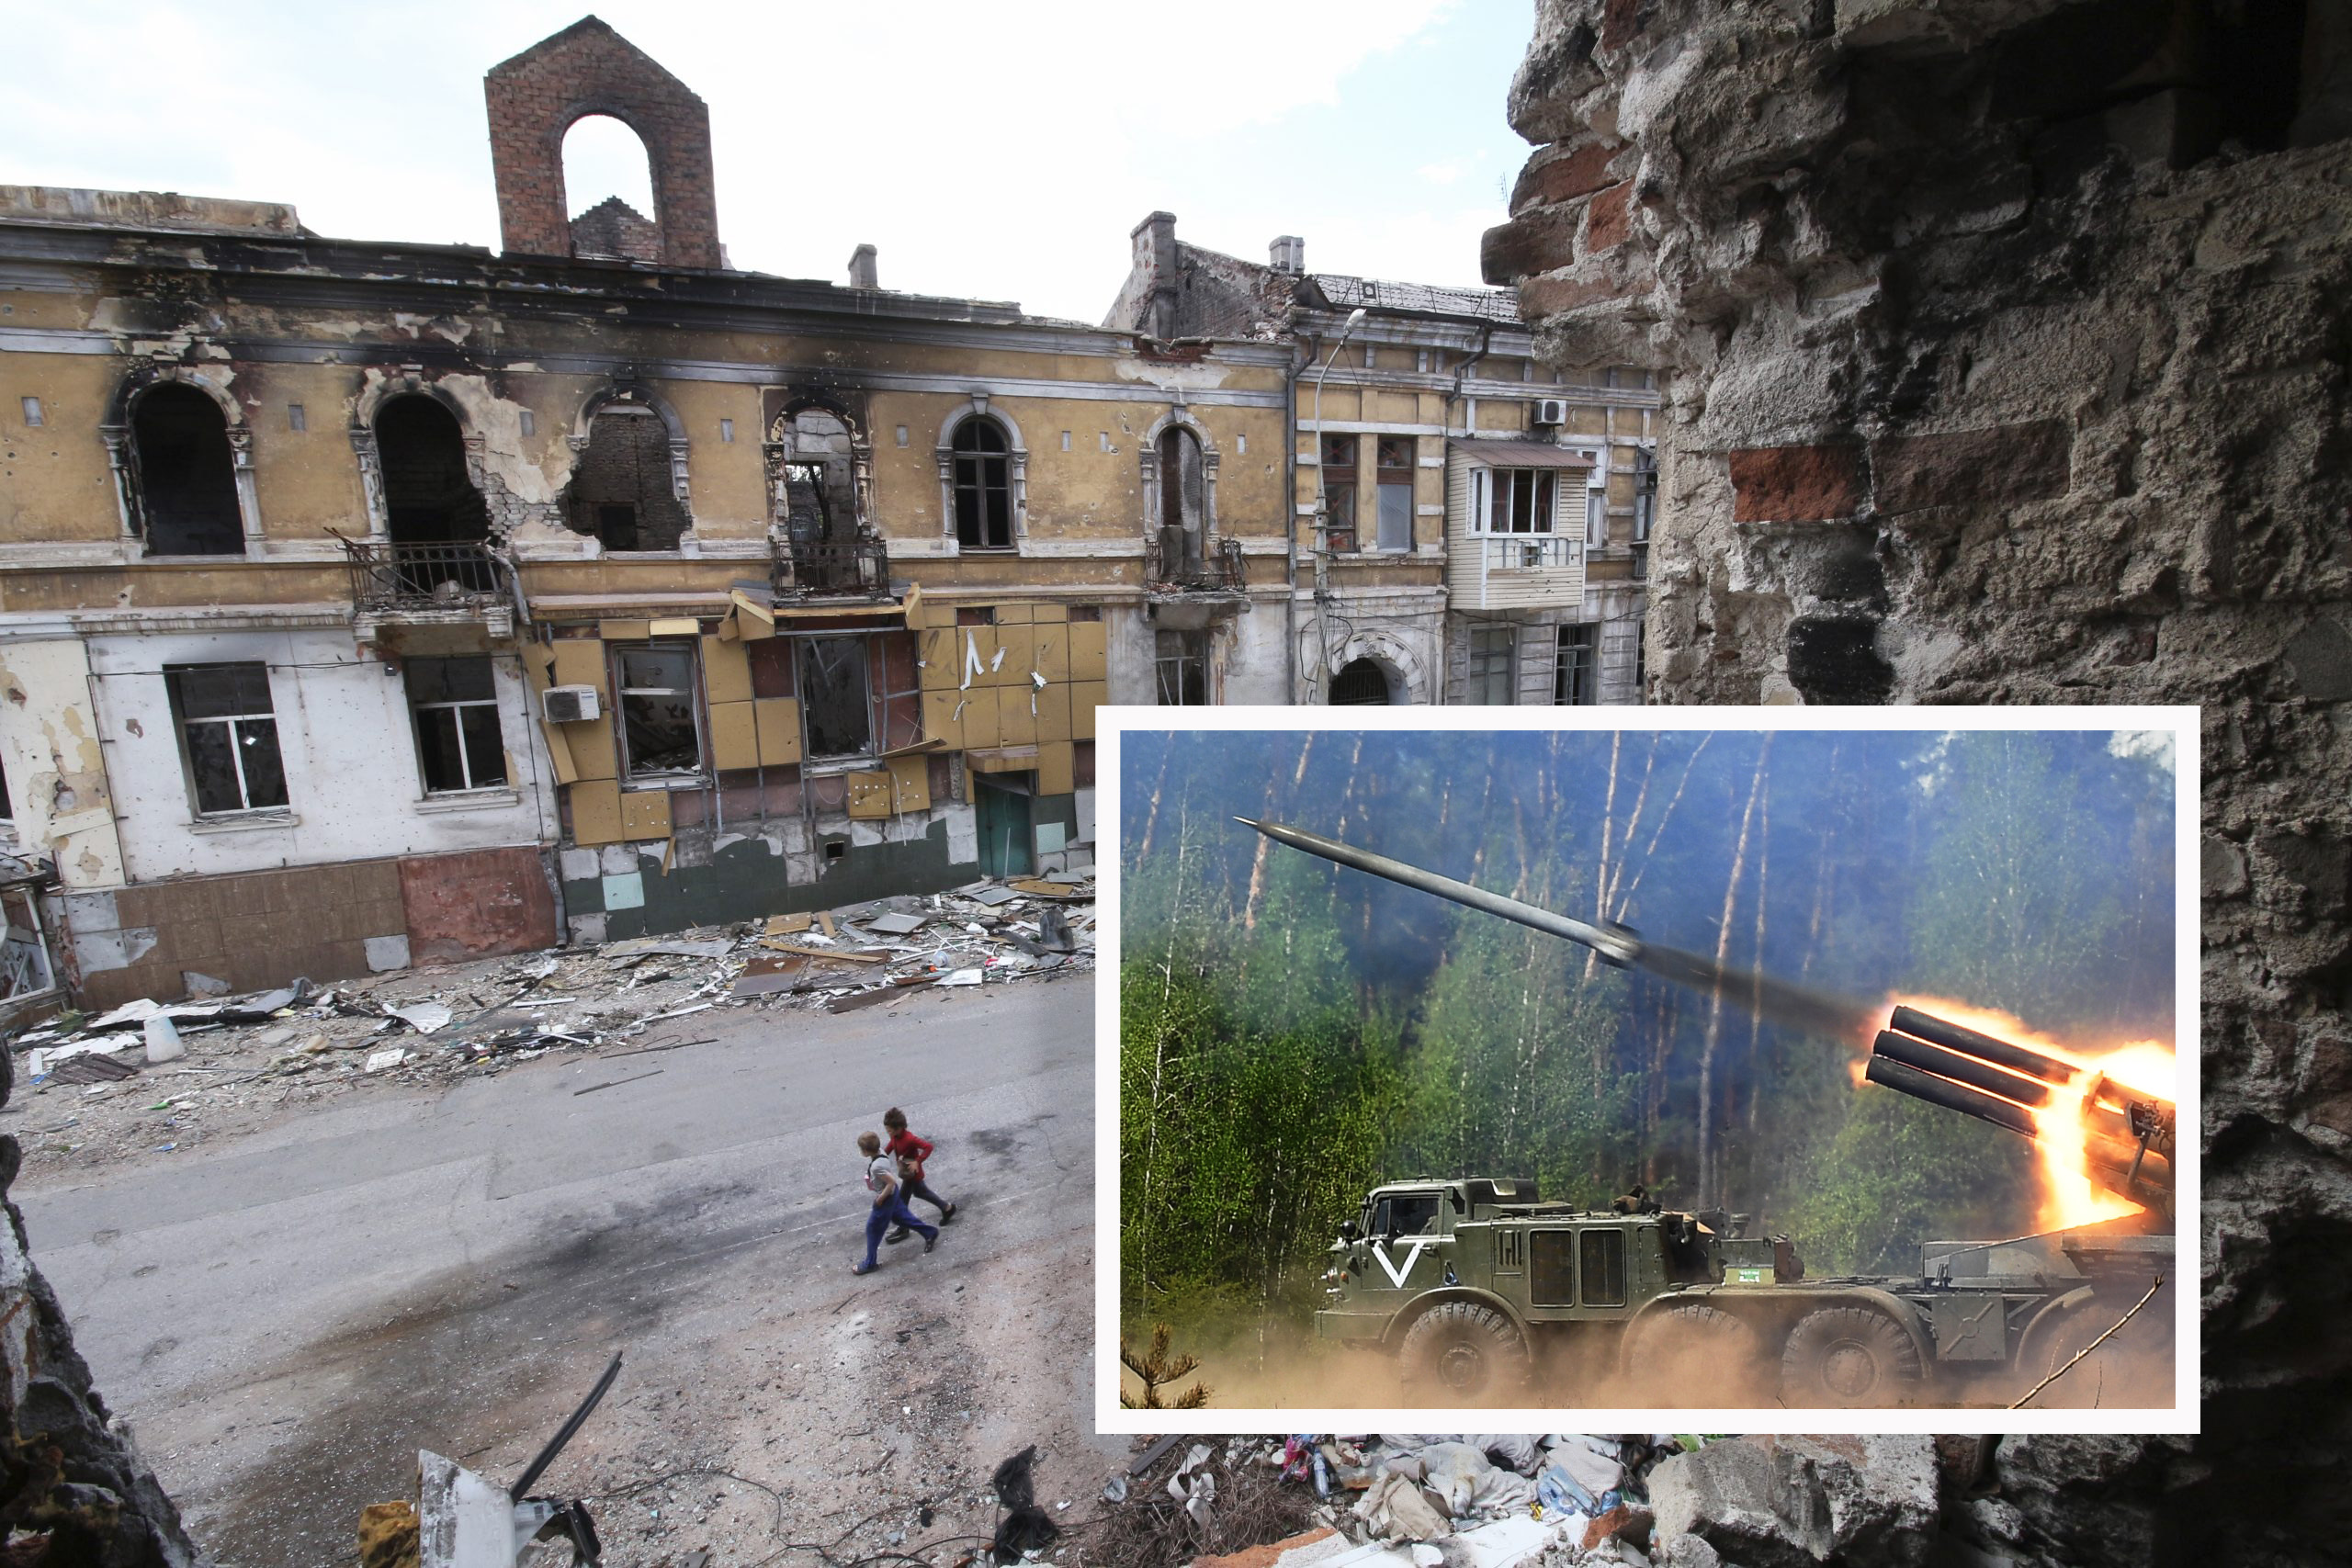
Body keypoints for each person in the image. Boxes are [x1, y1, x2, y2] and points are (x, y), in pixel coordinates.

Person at [854, 1130, 937, 1276]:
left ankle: (870, 1263)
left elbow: (891, 1182)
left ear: (866, 1151)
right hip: (893, 1195)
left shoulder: (876, 1167)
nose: (861, 1151)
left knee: (872, 1228)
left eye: (862, 1149)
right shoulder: (881, 1153)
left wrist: (880, 1199)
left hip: (886, 1198)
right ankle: (930, 1232)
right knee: (903, 1218)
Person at [881, 1106, 956, 1245]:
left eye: (890, 1130)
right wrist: (880, 1157)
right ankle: (947, 1208)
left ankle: (904, 1228)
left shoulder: (909, 1138)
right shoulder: (896, 1136)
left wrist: (918, 1161)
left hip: (912, 1175)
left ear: (899, 1128)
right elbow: (891, 1146)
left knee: (902, 1201)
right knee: (922, 1193)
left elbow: (928, 1147)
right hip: (908, 1175)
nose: (888, 1133)